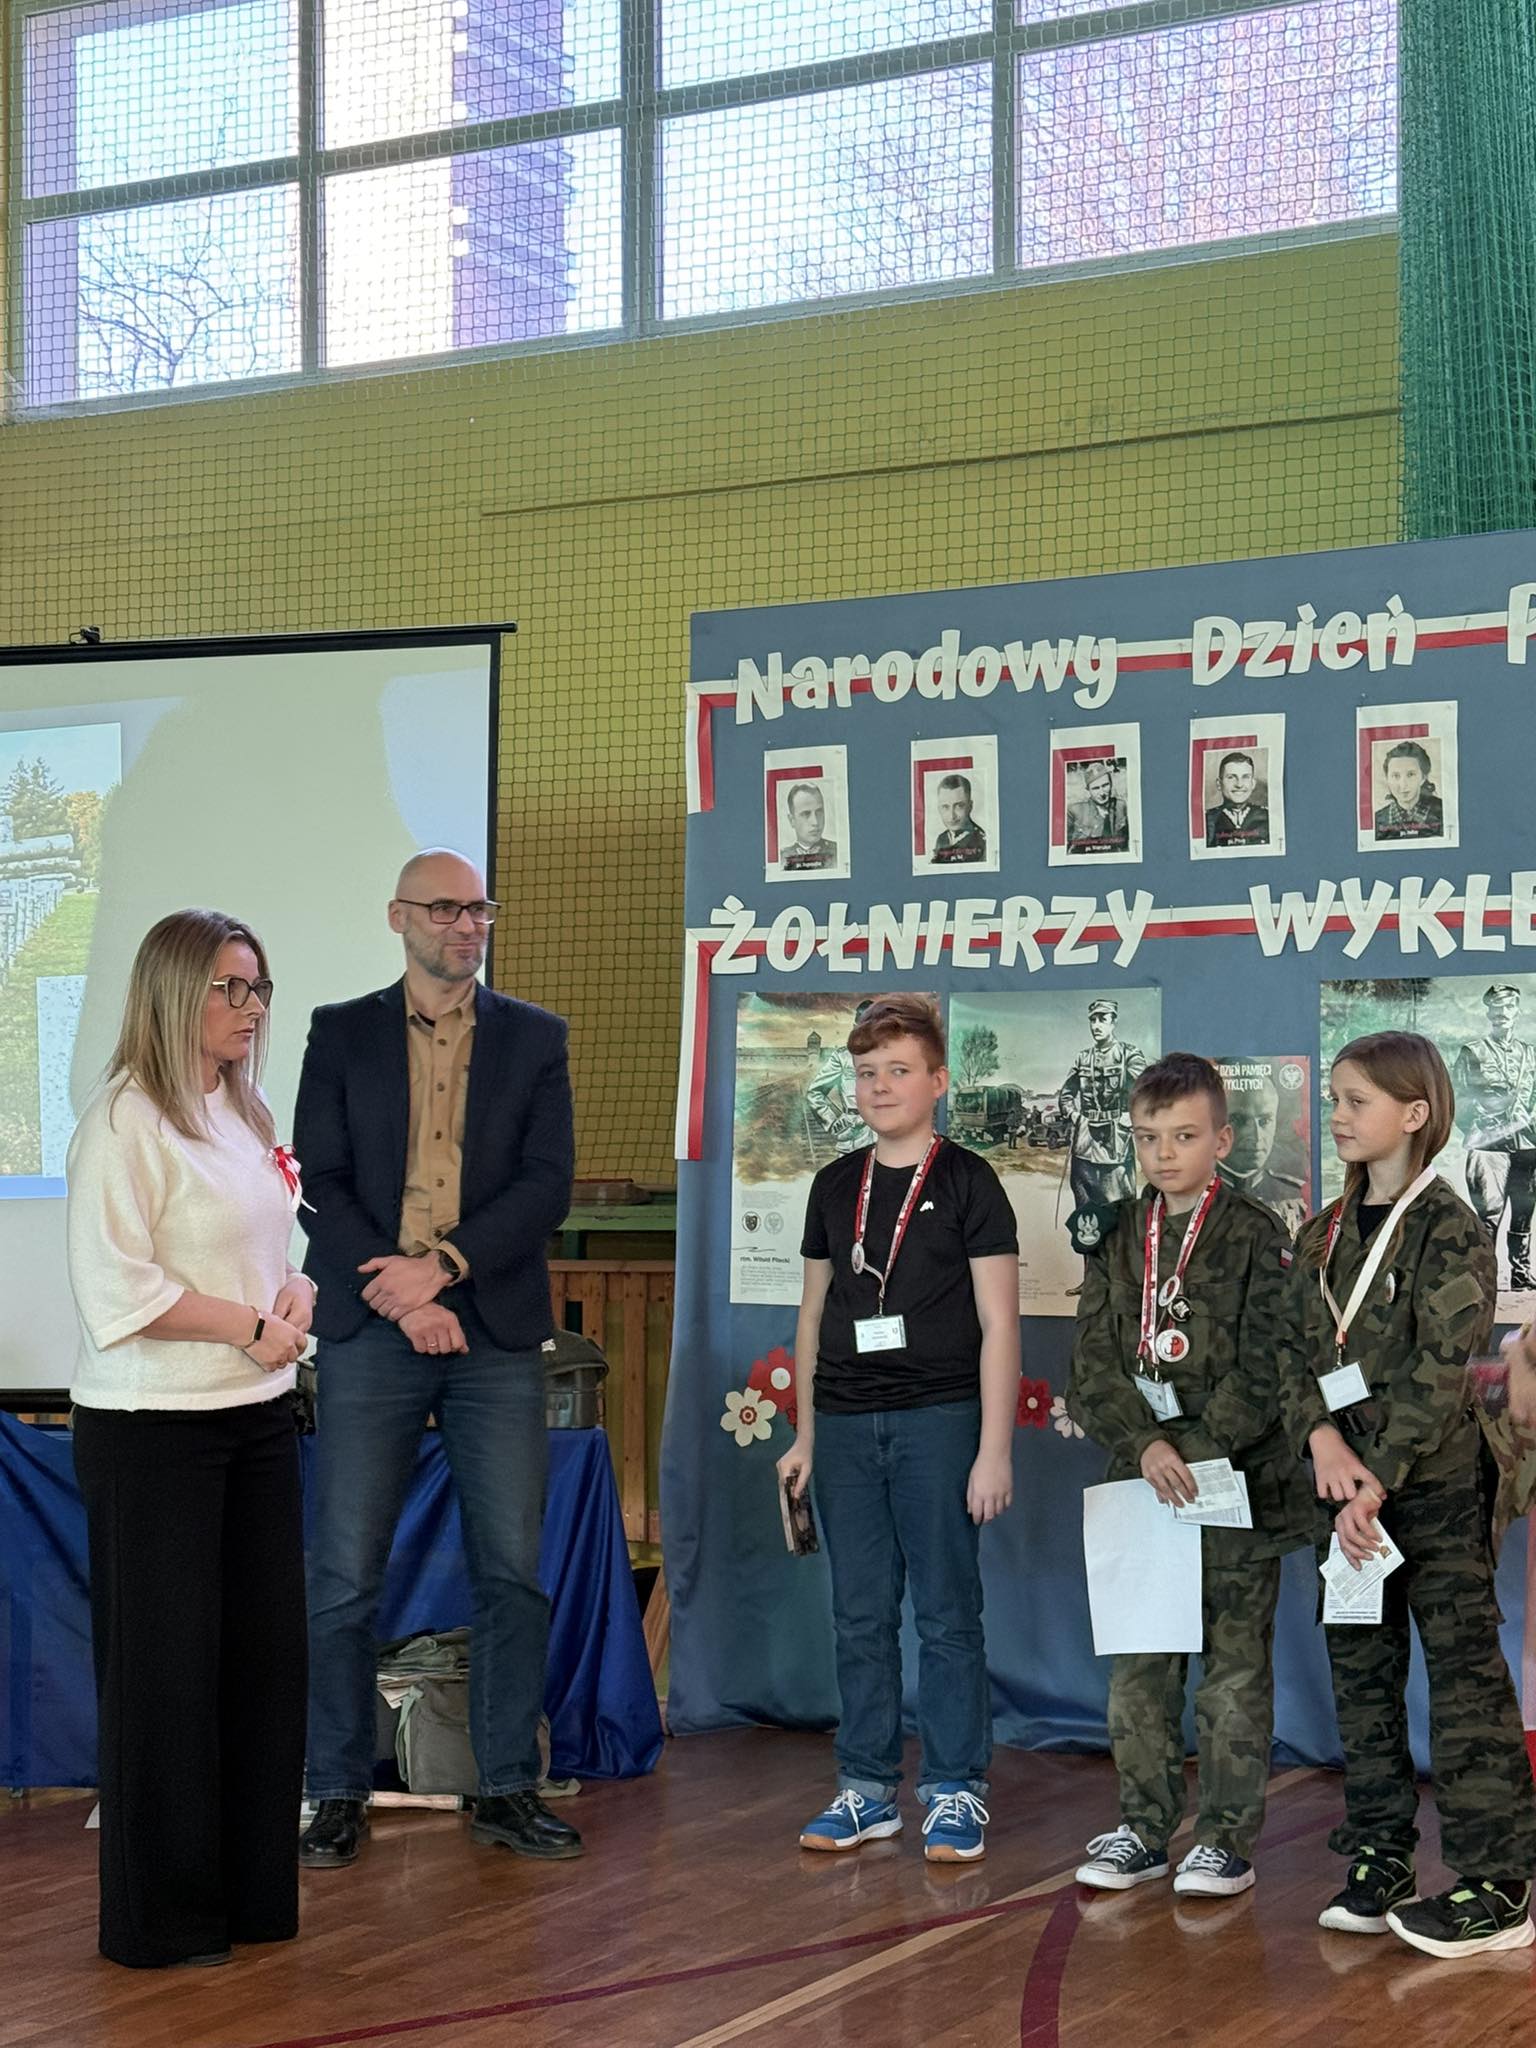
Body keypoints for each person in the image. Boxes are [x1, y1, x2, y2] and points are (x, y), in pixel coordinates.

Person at [295, 848, 579, 1869]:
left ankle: (504, 1786)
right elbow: (316, 1178)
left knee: (511, 1573)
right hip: (373, 1326)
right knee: (343, 1577)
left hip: (491, 1329)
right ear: (399, 918)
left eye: (479, 909)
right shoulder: (340, 1031)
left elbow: (546, 1184)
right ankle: (335, 1789)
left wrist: (443, 1271)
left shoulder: (535, 1037)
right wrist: (401, 1292)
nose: (468, 925)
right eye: (447, 908)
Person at [65, 909, 311, 1969]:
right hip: (151, 1430)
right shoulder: (124, 1120)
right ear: (174, 995)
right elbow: (120, 1292)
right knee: (163, 1681)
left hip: (257, 1418)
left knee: (262, 1668)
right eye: (230, 988)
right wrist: (249, 1327)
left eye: (259, 987)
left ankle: (249, 1898)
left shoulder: (245, 1110)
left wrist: (295, 1294)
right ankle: (161, 1921)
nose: (251, 1008)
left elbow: (274, 1244)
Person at [1276, 1030, 1536, 1958]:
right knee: (1362, 1678)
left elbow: (1443, 1371)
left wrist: (1373, 1476)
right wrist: (1320, 1442)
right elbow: (1291, 1358)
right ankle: (1380, 1853)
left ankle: (1499, 1885)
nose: (1338, 1116)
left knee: (1463, 1683)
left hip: (1432, 1490)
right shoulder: (1318, 1235)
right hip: (1342, 1489)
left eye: (1357, 1101)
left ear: (1414, 1113)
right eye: (1335, 1100)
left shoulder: (1450, 1228)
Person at [777, 994, 1020, 1863]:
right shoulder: (833, 1184)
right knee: (859, 1614)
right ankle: (866, 1787)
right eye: (867, 1072)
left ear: (938, 1082)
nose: (880, 1086)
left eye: (899, 1071)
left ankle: (955, 1789)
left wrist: (994, 1450)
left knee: (947, 1614)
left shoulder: (968, 1181)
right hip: (845, 1425)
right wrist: (806, 1437)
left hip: (940, 1420)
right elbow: (813, 1315)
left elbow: (1000, 1322)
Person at [1067, 1053, 1310, 1900]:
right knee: (1140, 1669)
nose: (1163, 1154)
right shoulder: (1116, 1233)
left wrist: (1199, 1447)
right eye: (1147, 1138)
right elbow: (1092, 1362)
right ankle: (1142, 1829)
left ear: (1222, 1141)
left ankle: (1224, 1841)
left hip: (1233, 1482)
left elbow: (1270, 1364)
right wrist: (1146, 1446)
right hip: (1143, 1480)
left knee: (1233, 1672)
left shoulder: (1256, 1234)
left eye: (1183, 1137)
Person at [1452, 984, 1536, 1292]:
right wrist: (1479, 1127)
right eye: (1496, 1007)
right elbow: (1457, 1100)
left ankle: (1521, 1273)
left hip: (1527, 1144)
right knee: (1488, 1213)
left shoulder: (1531, 1053)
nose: (1502, 1013)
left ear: (1517, 1011)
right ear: (1488, 1012)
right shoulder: (1473, 1052)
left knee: (1524, 1211)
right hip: (1488, 1146)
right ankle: (1485, 1275)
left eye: (1509, 1006)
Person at [1059, 999, 1146, 1227]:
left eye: (1102, 1019)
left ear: (1113, 1022)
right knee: (1086, 1223)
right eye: (1093, 1020)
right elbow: (1066, 1096)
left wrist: (1130, 1118)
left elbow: (1149, 1093)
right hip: (1084, 1149)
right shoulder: (1082, 1058)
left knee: (1122, 1220)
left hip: (1115, 1148)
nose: (1096, 1025)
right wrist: (1076, 1117)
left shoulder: (1129, 1054)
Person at [1217, 1070, 1308, 1240]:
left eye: (1265, 1121)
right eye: (1238, 1120)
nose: (1256, 1136)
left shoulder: (1297, 1194)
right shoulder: (1190, 1196)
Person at [1373, 740, 1444, 840]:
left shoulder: (1444, 812)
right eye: (1395, 776)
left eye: (1410, 774)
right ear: (1387, 779)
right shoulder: (1376, 820)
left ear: (1423, 777)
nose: (1403, 785)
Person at [1203, 752, 1271, 849]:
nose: (1239, 785)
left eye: (1245, 777)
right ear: (1219, 784)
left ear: (1253, 784)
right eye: (1231, 777)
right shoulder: (1207, 819)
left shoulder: (1268, 817)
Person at [1065, 761, 1129, 853]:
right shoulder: (1075, 811)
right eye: (1096, 788)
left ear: (1111, 784)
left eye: (1105, 785)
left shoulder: (1121, 806)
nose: (1102, 793)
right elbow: (1063, 847)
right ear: (1088, 790)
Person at [931, 773, 988, 864]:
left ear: (970, 806)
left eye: (959, 806)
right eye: (945, 807)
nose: (952, 816)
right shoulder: (942, 839)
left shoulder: (982, 841)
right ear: (939, 808)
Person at [782, 782, 839, 871]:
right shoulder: (782, 859)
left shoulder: (838, 852)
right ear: (792, 820)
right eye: (806, 814)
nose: (815, 822)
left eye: (819, 812)